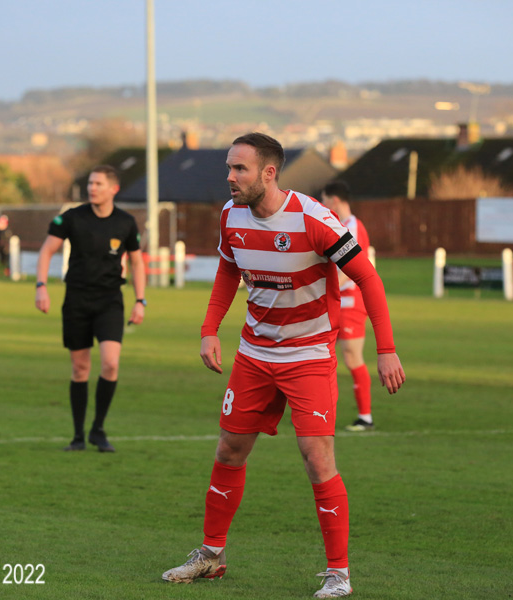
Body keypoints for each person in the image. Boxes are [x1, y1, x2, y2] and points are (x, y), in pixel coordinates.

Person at [161, 133, 405, 599]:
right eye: (229, 168)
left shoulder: (314, 219)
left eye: (240, 169)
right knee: (229, 450)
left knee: (317, 458)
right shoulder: (231, 215)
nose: (230, 177)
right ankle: (211, 555)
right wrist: (209, 329)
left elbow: (368, 279)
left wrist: (386, 348)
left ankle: (338, 574)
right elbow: (228, 271)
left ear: (269, 173)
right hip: (255, 354)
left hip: (308, 355)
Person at [34, 165, 146, 453]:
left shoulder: (125, 222)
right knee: (80, 367)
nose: (92, 188)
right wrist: (41, 286)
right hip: (77, 300)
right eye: (90, 183)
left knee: (110, 363)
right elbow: (47, 250)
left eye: (98, 184)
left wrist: (140, 300)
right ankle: (77, 436)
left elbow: (136, 262)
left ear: (113, 189)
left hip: (110, 301)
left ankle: (98, 429)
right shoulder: (72, 217)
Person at [319, 180, 375, 432]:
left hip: (350, 301)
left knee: (352, 356)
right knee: (320, 356)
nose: (322, 204)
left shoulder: (353, 227)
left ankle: (365, 417)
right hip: (335, 301)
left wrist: (326, 289)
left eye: (324, 199)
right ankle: (317, 412)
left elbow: (352, 269)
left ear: (334, 200)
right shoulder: (338, 225)